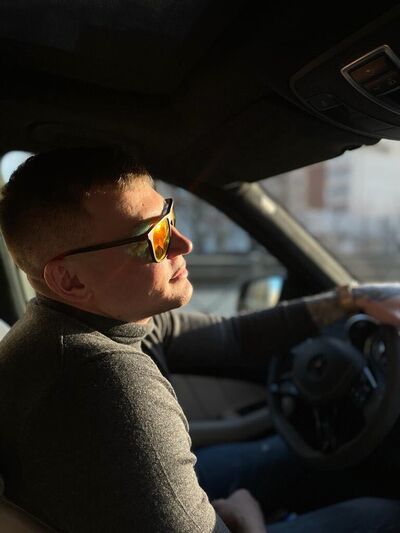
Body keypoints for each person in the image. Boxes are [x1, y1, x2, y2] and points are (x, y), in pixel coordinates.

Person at [0, 146, 399, 532]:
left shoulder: (66, 327)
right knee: (379, 516)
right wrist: (246, 516)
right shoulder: (106, 378)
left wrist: (349, 299)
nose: (183, 243)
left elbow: (234, 337)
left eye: (169, 217)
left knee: (289, 458)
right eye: (154, 237)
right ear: (70, 279)